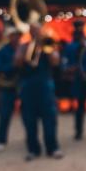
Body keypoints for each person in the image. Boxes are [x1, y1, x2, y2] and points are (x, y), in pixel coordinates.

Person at [14, 23, 63, 161]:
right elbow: (17, 62)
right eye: (33, 31)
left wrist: (47, 47)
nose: (36, 33)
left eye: (38, 30)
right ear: (30, 32)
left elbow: (55, 61)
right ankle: (33, 149)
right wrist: (25, 52)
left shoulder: (48, 44)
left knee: (50, 119)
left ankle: (52, 147)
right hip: (28, 86)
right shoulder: (24, 46)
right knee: (29, 120)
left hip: (45, 85)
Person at [61, 20, 86, 140]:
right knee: (80, 106)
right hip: (78, 79)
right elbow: (64, 63)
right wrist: (69, 68)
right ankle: (79, 131)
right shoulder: (70, 47)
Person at [0, 27, 21, 150]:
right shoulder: (3, 51)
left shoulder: (24, 48)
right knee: (5, 114)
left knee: (28, 114)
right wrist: (13, 66)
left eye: (17, 36)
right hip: (8, 87)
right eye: (13, 35)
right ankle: (1, 140)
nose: (16, 38)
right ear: (9, 37)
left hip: (22, 84)